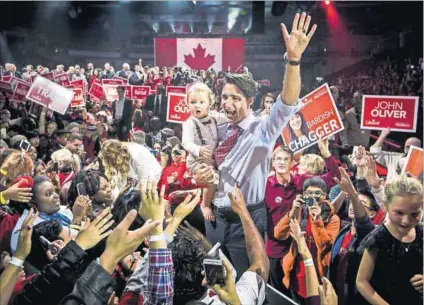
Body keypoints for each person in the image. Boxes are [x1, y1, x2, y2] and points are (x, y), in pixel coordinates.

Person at [194, 12, 317, 277]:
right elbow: (206, 165)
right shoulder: (218, 127)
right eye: (225, 97)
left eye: (235, 98)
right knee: (215, 279)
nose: (227, 104)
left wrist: (293, 60)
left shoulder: (263, 128)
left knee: (249, 280)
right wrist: (201, 173)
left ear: (250, 102)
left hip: (247, 218)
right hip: (216, 217)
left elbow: (286, 103)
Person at [356, 175, 423, 305]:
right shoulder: (377, 239)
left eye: (414, 214)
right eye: (399, 213)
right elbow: (361, 281)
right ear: (386, 206)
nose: (406, 221)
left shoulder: (421, 233)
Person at [274, 177, 340, 304]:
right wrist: (292, 211)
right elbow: (279, 234)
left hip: (318, 275)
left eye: (317, 193)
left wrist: (316, 220)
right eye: (309, 193)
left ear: (325, 195)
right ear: (304, 195)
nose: (313, 197)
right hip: (296, 276)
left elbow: (325, 246)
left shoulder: (332, 218)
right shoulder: (299, 212)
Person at [329, 168, 380, 305]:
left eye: (361, 205)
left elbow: (362, 222)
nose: (353, 206)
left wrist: (352, 193)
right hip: (336, 293)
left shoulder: (370, 234)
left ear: (372, 214)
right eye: (352, 202)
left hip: (354, 298)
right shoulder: (343, 230)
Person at [182, 82, 228, 221]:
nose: (197, 105)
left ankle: (212, 198)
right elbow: (186, 142)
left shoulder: (214, 116)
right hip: (197, 160)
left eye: (201, 102)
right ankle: (205, 204)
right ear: (187, 104)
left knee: (219, 175)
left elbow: (229, 118)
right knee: (211, 177)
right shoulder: (189, 123)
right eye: (193, 102)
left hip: (211, 157)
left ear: (209, 103)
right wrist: (198, 150)